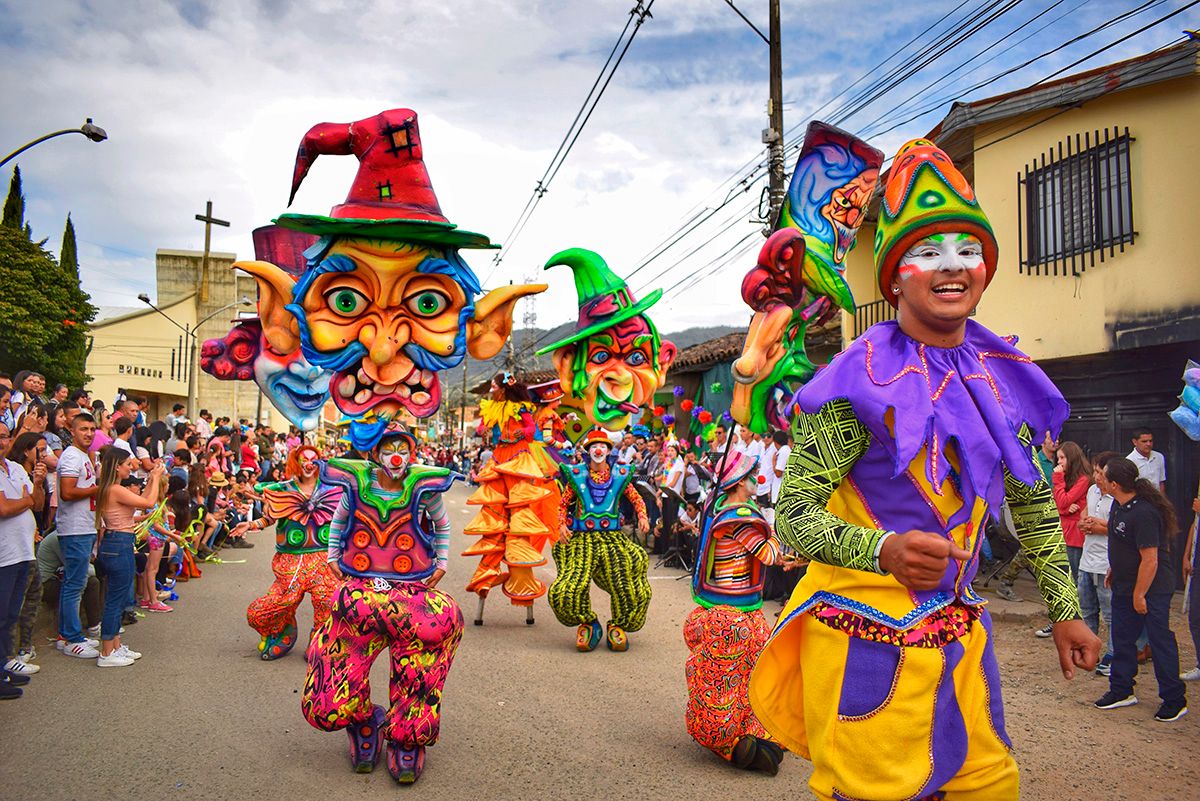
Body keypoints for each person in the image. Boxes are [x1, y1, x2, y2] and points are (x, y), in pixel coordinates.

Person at [747, 140, 1098, 800]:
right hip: (863, 653)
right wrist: (882, 548)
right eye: (928, 251)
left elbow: (1032, 502)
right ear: (895, 275)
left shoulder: (998, 381)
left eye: (969, 251)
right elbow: (792, 516)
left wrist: (1067, 608)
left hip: (962, 651)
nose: (953, 266)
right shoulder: (851, 384)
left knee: (992, 786)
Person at [302, 423, 463, 784]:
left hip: (411, 593)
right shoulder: (356, 485)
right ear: (374, 454)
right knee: (326, 697)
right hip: (360, 591)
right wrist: (331, 557)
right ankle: (361, 719)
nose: (396, 456)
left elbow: (442, 524)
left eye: (403, 450)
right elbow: (339, 521)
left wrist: (441, 562)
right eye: (389, 449)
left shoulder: (424, 488)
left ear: (412, 454)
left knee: (435, 633)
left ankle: (407, 736)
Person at [687, 451, 794, 774]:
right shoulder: (740, 518)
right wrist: (781, 542)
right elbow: (769, 554)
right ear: (736, 483)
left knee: (748, 674)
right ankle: (727, 738)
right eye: (750, 475)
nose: (755, 480)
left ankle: (752, 732)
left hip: (735, 612)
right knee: (726, 681)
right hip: (731, 618)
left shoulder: (718, 509)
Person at [461, 374, 562, 620]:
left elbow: (530, 431)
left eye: (494, 386)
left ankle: (522, 584)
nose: (491, 390)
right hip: (498, 460)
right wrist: (484, 428)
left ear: (505, 389)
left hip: (518, 459)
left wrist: (516, 434)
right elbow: (482, 428)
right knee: (495, 516)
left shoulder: (522, 408)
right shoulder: (493, 407)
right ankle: (487, 576)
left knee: (520, 516)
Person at [1094, 456, 1187, 721]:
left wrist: (1140, 594)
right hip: (1124, 584)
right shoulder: (1118, 506)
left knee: (1159, 641)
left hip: (1151, 588)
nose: (1097, 478)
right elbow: (1121, 541)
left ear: (1114, 483)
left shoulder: (1144, 512)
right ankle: (1122, 690)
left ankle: (1174, 698)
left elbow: (1151, 558)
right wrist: (1115, 569)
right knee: (1122, 638)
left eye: (1101, 474)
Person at [235, 444, 341, 660]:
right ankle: (283, 627)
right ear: (297, 462)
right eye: (304, 459)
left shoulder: (332, 488)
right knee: (263, 611)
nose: (309, 463)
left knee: (327, 602)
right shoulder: (283, 489)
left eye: (314, 458)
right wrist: (251, 525)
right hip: (291, 561)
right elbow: (271, 517)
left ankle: (319, 640)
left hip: (324, 559)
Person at [550, 428, 651, 652]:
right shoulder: (576, 475)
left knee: (628, 583)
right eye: (594, 446)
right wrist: (561, 524)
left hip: (612, 539)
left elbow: (636, 498)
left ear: (608, 451)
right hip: (582, 540)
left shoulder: (619, 474)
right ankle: (588, 622)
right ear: (588, 451)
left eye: (602, 446)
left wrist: (643, 516)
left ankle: (619, 625)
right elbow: (563, 504)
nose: (598, 450)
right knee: (567, 589)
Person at [94, 447, 164, 666]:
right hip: (118, 543)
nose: (130, 468)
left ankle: (114, 645)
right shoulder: (114, 489)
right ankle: (106, 651)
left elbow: (141, 500)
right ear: (117, 466)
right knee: (115, 599)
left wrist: (152, 479)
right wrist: (156, 477)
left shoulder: (111, 489)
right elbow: (148, 502)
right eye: (127, 464)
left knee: (119, 595)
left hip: (118, 543)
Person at [0, 423, 44, 697]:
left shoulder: (16, 469)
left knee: (10, 615)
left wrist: (36, 485)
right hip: (3, 556)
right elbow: (4, 509)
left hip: (22, 552)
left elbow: (37, 504)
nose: (2, 441)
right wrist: (27, 500)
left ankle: (4, 666)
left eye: (4, 436)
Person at [56, 412, 101, 659]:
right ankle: (69, 637)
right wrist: (98, 487)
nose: (89, 433)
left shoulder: (83, 456)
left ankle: (69, 635)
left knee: (78, 582)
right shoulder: (71, 456)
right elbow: (67, 492)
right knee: (74, 584)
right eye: (83, 428)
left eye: (92, 429)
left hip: (83, 526)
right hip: (73, 528)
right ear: (72, 430)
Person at [1078, 451, 1118, 677]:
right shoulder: (1092, 491)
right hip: (1087, 560)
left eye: (1100, 472)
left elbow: (1120, 528)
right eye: (1094, 471)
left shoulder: (1118, 495)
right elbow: (1085, 513)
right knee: (1087, 610)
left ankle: (1113, 654)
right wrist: (1084, 523)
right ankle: (1088, 649)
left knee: (1111, 615)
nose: (1096, 476)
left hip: (1106, 563)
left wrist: (1099, 527)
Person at [1052, 441, 1091, 582]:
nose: (1059, 462)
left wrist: (1057, 479)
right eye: (1058, 458)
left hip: (1075, 535)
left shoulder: (1083, 480)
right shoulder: (1066, 477)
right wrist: (1064, 510)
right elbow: (1056, 503)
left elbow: (1062, 501)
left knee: (1075, 576)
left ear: (1072, 458)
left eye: (1062, 458)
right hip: (1064, 531)